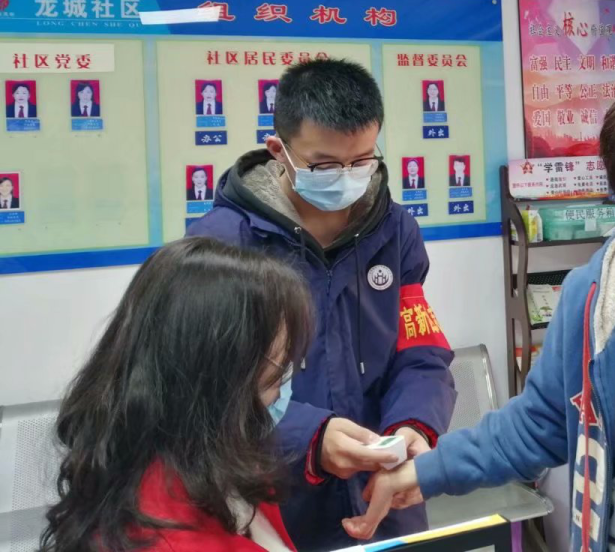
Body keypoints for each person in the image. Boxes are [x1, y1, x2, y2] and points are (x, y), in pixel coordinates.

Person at [187, 58, 456, 551]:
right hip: (273, 497)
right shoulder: (222, 246)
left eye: (362, 161)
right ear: (279, 151)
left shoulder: (395, 231)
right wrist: (308, 437)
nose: (347, 178)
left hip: (382, 493)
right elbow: (201, 391)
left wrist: (414, 424)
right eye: (326, 166)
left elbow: (420, 350)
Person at [343, 103, 615, 552]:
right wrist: (426, 470)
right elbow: (540, 422)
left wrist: (415, 426)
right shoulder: (590, 294)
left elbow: (423, 359)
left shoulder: (394, 230)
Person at [41, 237, 314, 552]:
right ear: (221, 370)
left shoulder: (214, 469)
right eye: (278, 364)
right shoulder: (167, 537)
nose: (287, 370)